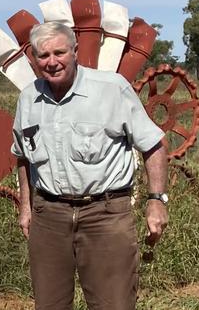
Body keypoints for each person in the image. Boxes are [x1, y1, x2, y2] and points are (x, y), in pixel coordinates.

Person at [11, 22, 169, 309]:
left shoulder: (111, 89)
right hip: (49, 217)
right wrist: (26, 206)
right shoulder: (28, 98)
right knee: (49, 305)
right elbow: (22, 155)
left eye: (59, 52)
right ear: (34, 59)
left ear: (75, 51)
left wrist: (156, 200)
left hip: (106, 216)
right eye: (43, 55)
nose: (52, 62)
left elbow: (154, 145)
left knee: (113, 304)